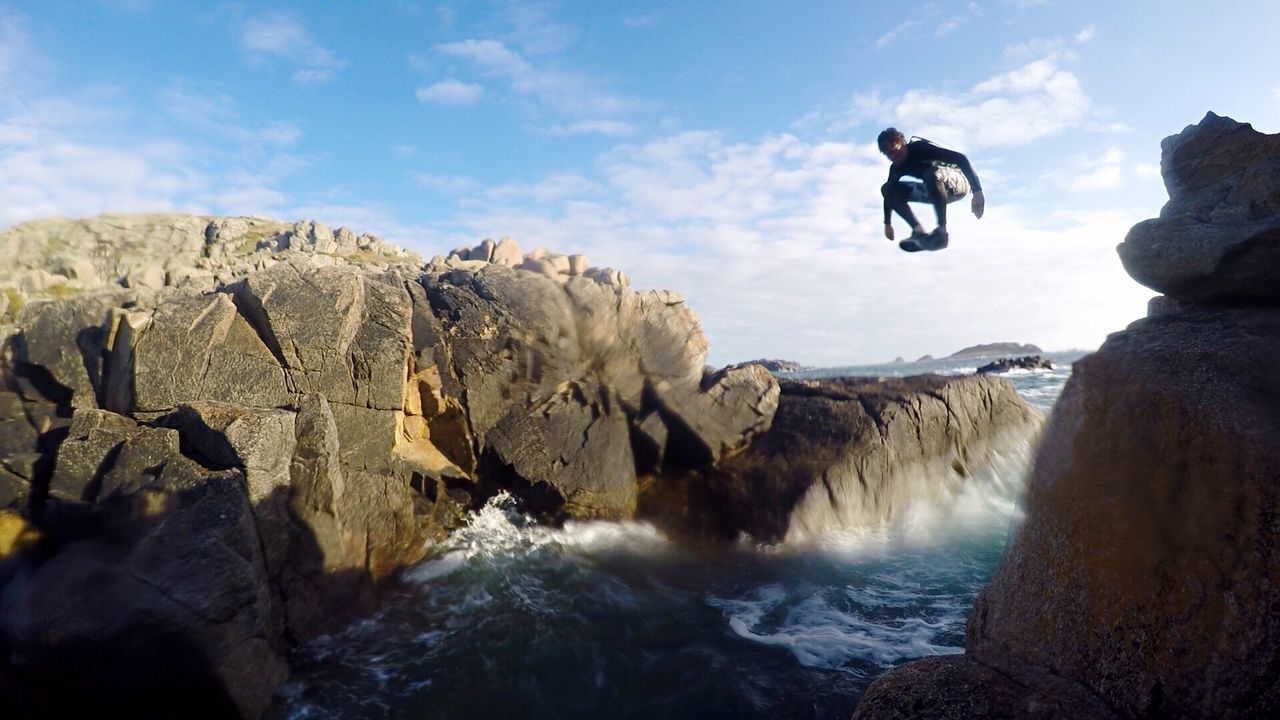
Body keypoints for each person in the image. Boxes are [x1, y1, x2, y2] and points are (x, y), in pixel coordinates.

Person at [878, 128, 984, 251]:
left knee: (931, 173)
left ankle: (942, 231)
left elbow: (961, 159)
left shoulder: (920, 148)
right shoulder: (896, 168)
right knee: (888, 188)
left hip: (958, 183)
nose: (895, 157)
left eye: (896, 152)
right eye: (889, 155)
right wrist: (887, 223)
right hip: (935, 190)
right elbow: (888, 196)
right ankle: (919, 232)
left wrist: (977, 191)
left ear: (903, 143)